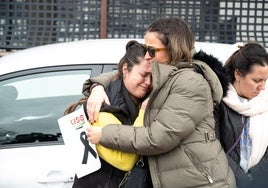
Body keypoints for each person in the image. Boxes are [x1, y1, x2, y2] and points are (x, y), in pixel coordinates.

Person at [83, 17, 236, 188]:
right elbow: (126, 73)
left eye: (152, 50)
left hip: (201, 182)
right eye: (146, 48)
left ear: (173, 49)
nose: (147, 56)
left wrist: (104, 134)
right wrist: (98, 86)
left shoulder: (190, 82)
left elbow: (159, 137)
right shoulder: (167, 76)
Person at [72, 40, 152, 188]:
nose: (148, 82)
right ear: (125, 70)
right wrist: (143, 114)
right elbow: (126, 161)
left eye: (152, 76)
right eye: (143, 74)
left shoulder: (136, 99)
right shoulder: (101, 108)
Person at [215, 41, 268, 188]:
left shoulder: (265, 103)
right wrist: (242, 179)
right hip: (226, 182)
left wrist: (256, 178)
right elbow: (212, 148)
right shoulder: (218, 101)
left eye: (265, 80)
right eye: (257, 80)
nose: (262, 87)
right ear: (237, 74)